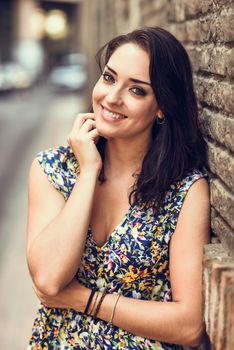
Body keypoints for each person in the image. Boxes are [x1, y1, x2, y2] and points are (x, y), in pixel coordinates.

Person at [26, 26, 210, 349]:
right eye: (109, 78)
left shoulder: (185, 191)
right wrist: (88, 172)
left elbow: (189, 325)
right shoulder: (51, 170)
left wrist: (84, 299)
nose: (112, 98)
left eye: (137, 91)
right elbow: (49, 278)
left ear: (162, 107)